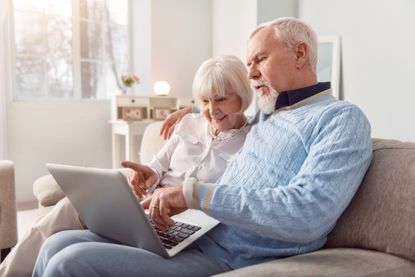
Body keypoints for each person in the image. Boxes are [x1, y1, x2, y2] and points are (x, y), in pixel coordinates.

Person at [32, 17, 373, 277]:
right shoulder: (268, 116)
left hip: (231, 256)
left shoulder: (340, 119)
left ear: (299, 54)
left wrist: (193, 194)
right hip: (195, 235)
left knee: (68, 263)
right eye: (249, 63)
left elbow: (307, 214)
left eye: (259, 60)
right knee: (56, 242)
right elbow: (225, 111)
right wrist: (193, 108)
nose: (251, 73)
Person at [0, 55, 252, 277]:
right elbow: (159, 165)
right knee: (55, 240)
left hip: (184, 224)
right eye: (205, 101)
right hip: (145, 211)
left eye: (220, 100)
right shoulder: (188, 123)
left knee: (66, 258)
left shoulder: (253, 140)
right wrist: (148, 174)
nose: (211, 110)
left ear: (242, 95)